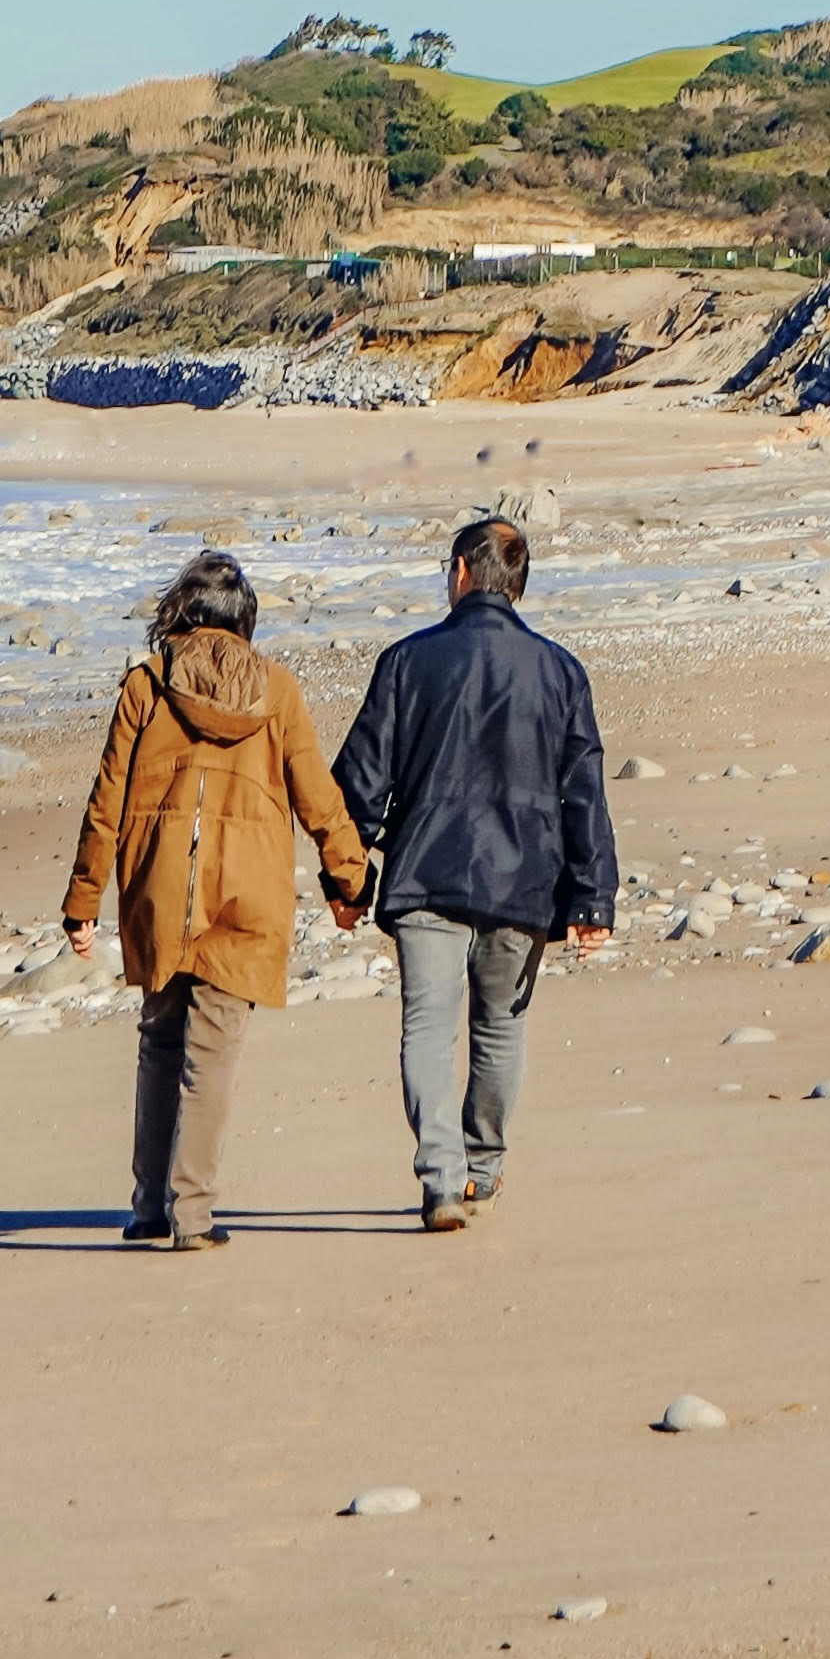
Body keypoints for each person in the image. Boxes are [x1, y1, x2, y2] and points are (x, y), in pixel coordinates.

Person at [63, 547, 372, 1251]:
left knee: (159, 1044)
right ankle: (192, 1214)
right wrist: (348, 879)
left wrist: (82, 901)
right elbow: (315, 794)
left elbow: (105, 801)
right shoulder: (277, 690)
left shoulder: (147, 683)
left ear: (181, 612)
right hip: (246, 890)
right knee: (212, 1053)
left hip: (160, 887)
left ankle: (148, 1207)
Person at [333, 513, 616, 1231]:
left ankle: (440, 1177)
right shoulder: (559, 670)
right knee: (498, 1029)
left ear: (461, 572)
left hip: (427, 867)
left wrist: (347, 877)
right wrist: (592, 898)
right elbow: (583, 790)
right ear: (514, 584)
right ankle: (479, 1171)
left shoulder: (406, 661)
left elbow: (359, 783)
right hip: (523, 876)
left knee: (428, 1027)